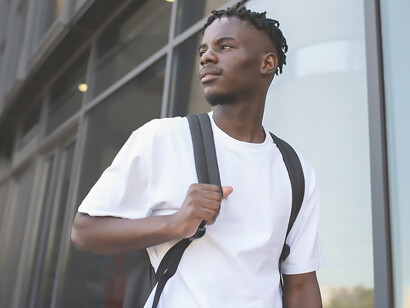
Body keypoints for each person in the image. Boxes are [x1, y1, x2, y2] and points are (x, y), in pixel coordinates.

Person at [72, 4, 323, 308]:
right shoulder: (162, 139)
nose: (206, 56)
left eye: (225, 46)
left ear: (267, 63)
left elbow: (301, 284)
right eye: (203, 49)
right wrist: (174, 223)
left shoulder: (296, 170)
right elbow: (85, 230)